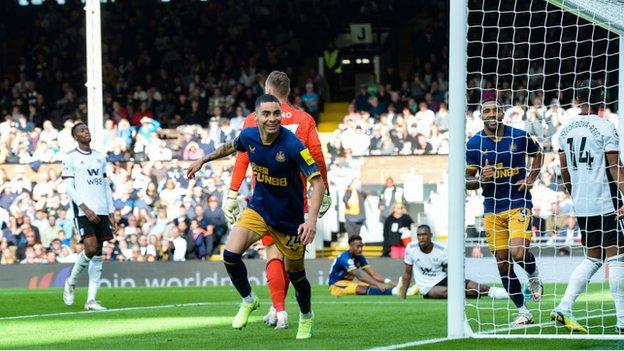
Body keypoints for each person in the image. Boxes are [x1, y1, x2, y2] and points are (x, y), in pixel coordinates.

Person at [186, 94, 325, 339]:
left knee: (296, 274)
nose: (272, 119)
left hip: (289, 221)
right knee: (229, 255)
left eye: (276, 113)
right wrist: (203, 159)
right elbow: (230, 147)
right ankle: (249, 300)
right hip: (259, 210)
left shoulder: (293, 145)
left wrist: (310, 219)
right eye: (266, 114)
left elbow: (317, 182)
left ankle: (306, 316)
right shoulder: (249, 136)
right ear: (257, 116)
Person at [220, 71, 330, 330]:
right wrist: (326, 193)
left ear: (267, 89)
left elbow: (242, 158)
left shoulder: (253, 118)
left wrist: (233, 192)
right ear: (289, 92)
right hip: (287, 200)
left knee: (280, 259)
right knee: (279, 261)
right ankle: (274, 308)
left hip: (279, 199)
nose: (271, 118)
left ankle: (280, 311)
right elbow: (318, 156)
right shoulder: (304, 119)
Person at [551, 79, 624, 333]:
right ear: (601, 99)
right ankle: (622, 321)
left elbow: (564, 170)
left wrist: (576, 196)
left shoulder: (565, 130)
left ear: (577, 99)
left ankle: (564, 306)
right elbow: (615, 167)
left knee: (593, 259)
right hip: (607, 202)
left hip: (583, 204)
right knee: (617, 259)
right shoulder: (605, 126)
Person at [465, 97, 544, 326]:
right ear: (481, 116)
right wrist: (480, 178)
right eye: (487, 111)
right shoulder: (473, 144)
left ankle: (533, 274)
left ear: (502, 114)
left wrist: (531, 177)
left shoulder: (518, 136)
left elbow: (538, 153)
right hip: (492, 208)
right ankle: (524, 312)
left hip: (518, 202)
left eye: (496, 110)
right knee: (502, 262)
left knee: (517, 253)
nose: (491, 114)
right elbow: (468, 180)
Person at [62, 122, 116, 310]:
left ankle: (91, 300)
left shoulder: (100, 158)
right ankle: (71, 281)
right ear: (76, 137)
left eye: (87, 129)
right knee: (91, 247)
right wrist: (85, 208)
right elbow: (69, 187)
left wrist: (111, 211)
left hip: (102, 209)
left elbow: (105, 186)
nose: (86, 132)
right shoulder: (70, 158)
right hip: (83, 210)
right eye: (82, 131)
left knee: (99, 253)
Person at [399, 225, 508, 300]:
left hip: (444, 278)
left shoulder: (441, 249)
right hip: (428, 287)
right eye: (419, 235)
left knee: (479, 287)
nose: (421, 237)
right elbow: (407, 273)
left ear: (430, 235)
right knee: (446, 292)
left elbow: (451, 270)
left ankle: (509, 294)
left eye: (424, 234)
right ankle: (470, 294)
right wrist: (403, 295)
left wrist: (461, 282)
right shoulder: (411, 248)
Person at [328, 235, 404, 296]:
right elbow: (360, 276)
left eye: (361, 246)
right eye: (357, 246)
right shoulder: (345, 258)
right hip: (336, 285)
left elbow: (373, 274)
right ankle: (394, 292)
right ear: (351, 247)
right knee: (362, 288)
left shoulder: (360, 257)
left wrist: (390, 282)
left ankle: (403, 290)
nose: (360, 249)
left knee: (371, 286)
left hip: (348, 283)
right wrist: (378, 284)